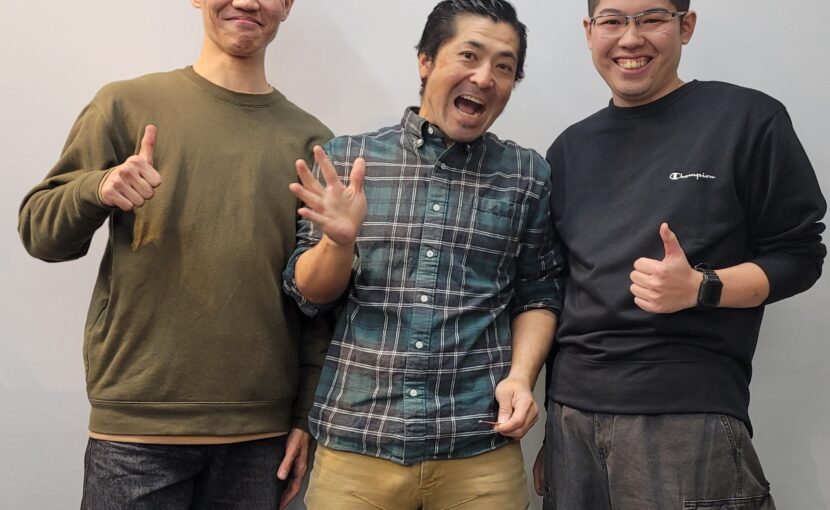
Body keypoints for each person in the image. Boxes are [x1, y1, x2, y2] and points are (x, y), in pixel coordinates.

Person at [18, 1, 332, 508]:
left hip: (260, 437)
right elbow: (40, 234)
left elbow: (318, 302)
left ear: (288, 5)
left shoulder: (311, 142)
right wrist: (99, 188)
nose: (247, 2)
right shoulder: (124, 104)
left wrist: (305, 416)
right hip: (136, 430)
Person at [533, 1, 827, 509]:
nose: (630, 38)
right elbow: (563, 291)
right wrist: (551, 432)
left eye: (651, 18)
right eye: (612, 21)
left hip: (685, 416)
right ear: (589, 31)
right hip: (571, 419)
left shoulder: (745, 119)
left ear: (685, 26)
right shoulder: (568, 149)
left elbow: (800, 254)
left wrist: (702, 287)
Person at [282, 0, 565, 508]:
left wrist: (522, 379)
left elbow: (538, 294)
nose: (485, 77)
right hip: (357, 445)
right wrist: (338, 242)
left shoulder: (526, 175)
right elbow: (309, 296)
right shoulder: (348, 159)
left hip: (479, 448)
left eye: (504, 67)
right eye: (469, 56)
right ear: (426, 61)